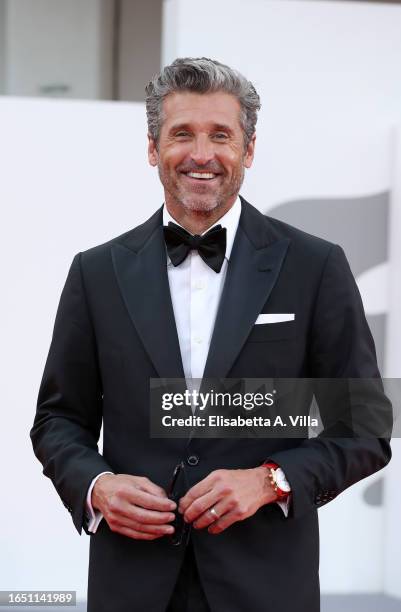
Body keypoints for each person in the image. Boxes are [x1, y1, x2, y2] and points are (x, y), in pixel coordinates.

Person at [30, 57, 391, 612]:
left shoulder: (315, 266)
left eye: (221, 135)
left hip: (267, 586)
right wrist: (96, 486)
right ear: (153, 149)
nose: (202, 154)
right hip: (132, 585)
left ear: (247, 151)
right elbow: (58, 420)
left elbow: (365, 426)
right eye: (182, 134)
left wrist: (272, 480)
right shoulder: (95, 272)